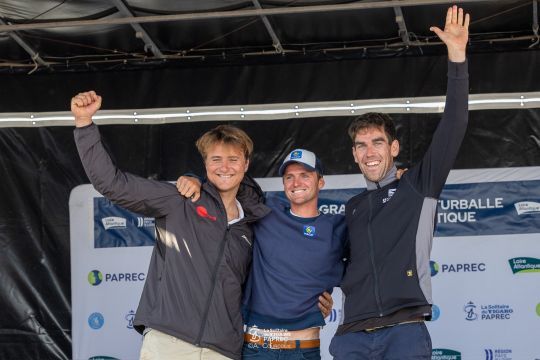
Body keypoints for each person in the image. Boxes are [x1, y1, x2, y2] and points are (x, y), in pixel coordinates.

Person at [71, 90, 270, 360]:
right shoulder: (180, 199)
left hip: (223, 350)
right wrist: (84, 125)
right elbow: (112, 183)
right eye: (216, 159)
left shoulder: (250, 224)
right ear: (205, 164)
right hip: (169, 343)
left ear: (246, 164)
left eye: (233, 159)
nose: (225, 167)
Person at [329, 5, 470, 360]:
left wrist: (457, 57)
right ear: (354, 153)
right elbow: (334, 264)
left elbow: (453, 126)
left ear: (394, 147)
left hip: (403, 333)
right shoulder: (353, 208)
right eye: (361, 145)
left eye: (377, 142)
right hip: (351, 337)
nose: (369, 152)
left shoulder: (417, 186)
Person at [178, 149, 346, 359]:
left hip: (303, 349)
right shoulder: (266, 212)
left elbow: (369, 265)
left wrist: (399, 184)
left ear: (320, 182)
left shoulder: (338, 227)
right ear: (283, 183)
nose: (296, 183)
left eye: (305, 175)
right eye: (289, 177)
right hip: (258, 348)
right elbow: (226, 179)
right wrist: (194, 179)